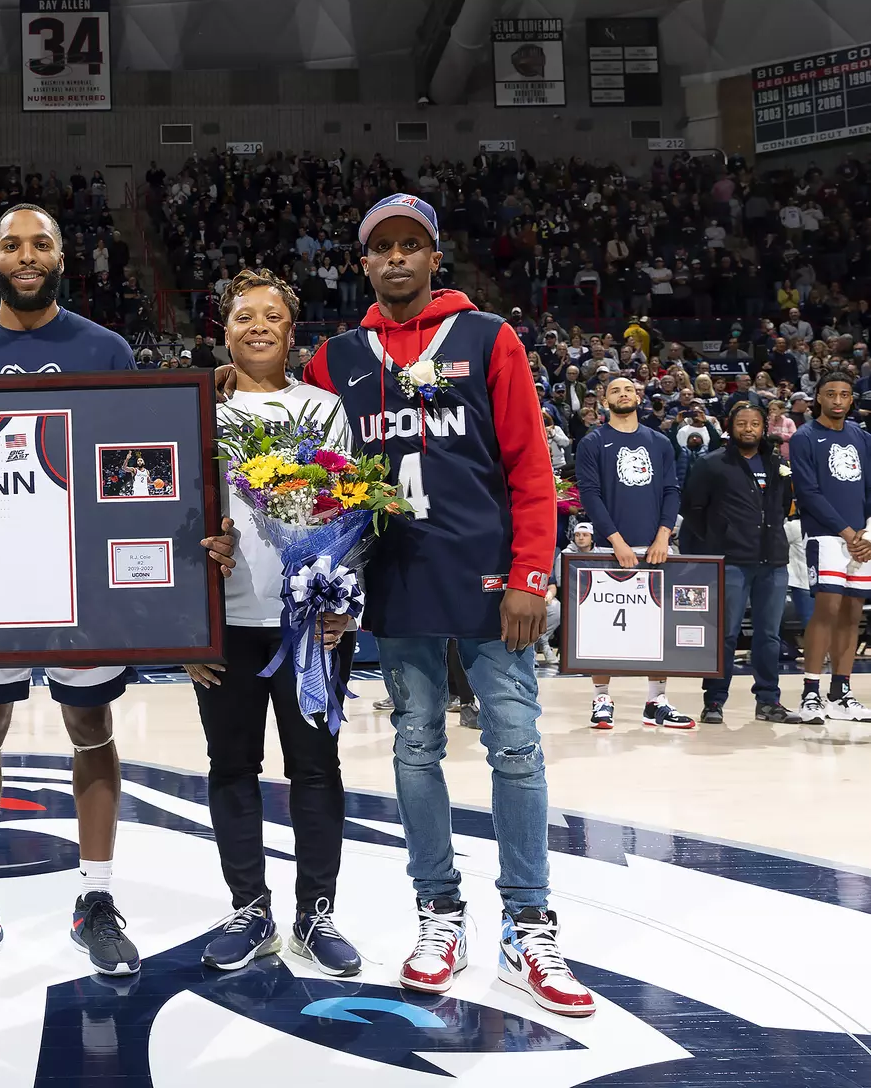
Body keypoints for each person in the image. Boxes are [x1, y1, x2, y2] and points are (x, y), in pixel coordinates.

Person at [226, 193, 593, 1016]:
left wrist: (534, 576)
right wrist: (225, 379)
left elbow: (532, 469)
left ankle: (528, 923)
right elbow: (290, 423)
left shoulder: (489, 338)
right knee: (415, 747)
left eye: (410, 245)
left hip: (493, 586)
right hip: (394, 585)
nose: (396, 258)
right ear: (363, 264)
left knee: (516, 748)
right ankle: (440, 915)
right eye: (381, 247)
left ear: (435, 257)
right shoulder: (340, 357)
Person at [0, 203, 235, 980]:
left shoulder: (105, 347)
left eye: (41, 243)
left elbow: (135, 470)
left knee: (90, 726)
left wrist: (174, 586)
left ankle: (96, 898)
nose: (27, 256)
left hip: (82, 581)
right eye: (12, 245)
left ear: (63, 256)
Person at [185, 269, 359, 975]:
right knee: (231, 766)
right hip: (223, 623)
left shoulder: (324, 409)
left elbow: (351, 508)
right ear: (223, 334)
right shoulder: (200, 409)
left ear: (293, 331)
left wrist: (345, 603)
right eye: (243, 317)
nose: (257, 326)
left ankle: (316, 914)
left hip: (307, 626)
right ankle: (249, 908)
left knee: (316, 768)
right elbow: (166, 521)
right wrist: (180, 628)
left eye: (272, 316)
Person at [573, 375, 689, 729]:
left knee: (658, 628)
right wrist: (616, 540)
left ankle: (656, 701)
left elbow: (671, 489)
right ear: (604, 401)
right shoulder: (593, 442)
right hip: (612, 547)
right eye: (614, 390)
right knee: (603, 627)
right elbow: (590, 495)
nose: (623, 394)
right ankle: (602, 698)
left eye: (628, 389)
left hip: (656, 546)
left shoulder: (659, 441)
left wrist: (664, 535)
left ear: (638, 396)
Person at [680, 401, 802, 725]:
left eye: (755, 424)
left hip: (773, 562)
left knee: (769, 635)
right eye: (742, 424)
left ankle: (768, 701)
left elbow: (784, 505)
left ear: (764, 428)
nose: (748, 429)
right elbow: (691, 508)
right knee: (725, 634)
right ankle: (714, 701)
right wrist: (717, 537)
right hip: (731, 561)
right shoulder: (712, 464)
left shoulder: (776, 464)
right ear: (730, 427)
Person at [789, 372, 871, 724]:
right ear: (817, 398)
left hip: (861, 539)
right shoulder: (805, 437)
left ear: (852, 400)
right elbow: (808, 493)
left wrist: (864, 533)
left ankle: (841, 692)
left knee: (853, 613)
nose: (838, 400)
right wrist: (847, 532)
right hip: (825, 535)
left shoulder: (862, 437)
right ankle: (810, 691)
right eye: (831, 394)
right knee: (827, 607)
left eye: (845, 394)